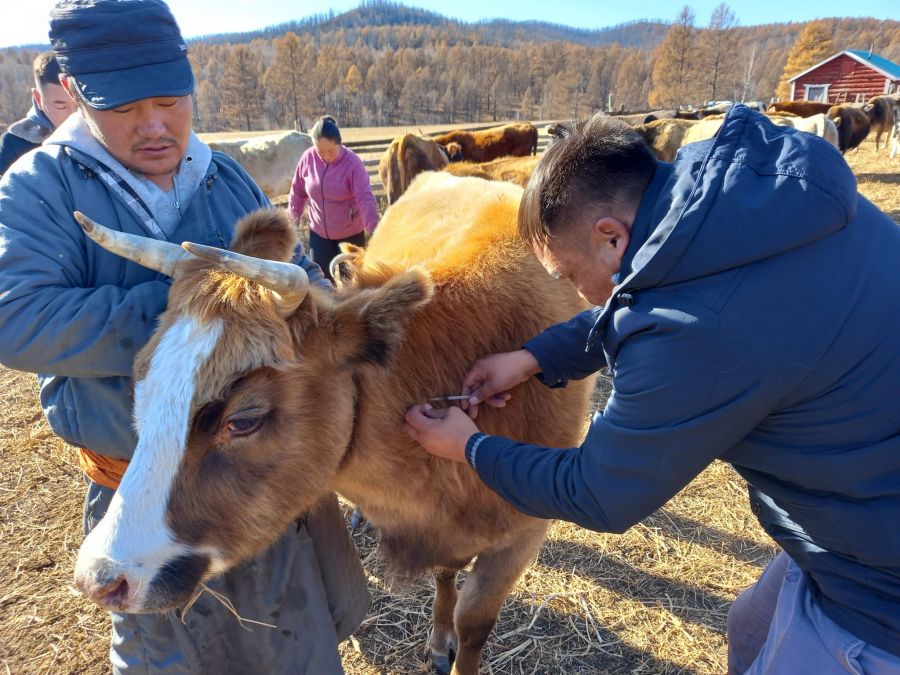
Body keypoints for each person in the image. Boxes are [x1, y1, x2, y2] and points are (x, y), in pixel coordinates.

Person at [404, 109, 900, 673]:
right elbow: (641, 299)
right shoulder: (726, 202)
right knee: (751, 626)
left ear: (611, 237)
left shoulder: (696, 332)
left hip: (877, 590)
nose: (581, 295)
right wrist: (531, 356)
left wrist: (469, 446)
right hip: (857, 501)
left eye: (567, 275)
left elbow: (600, 491)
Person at [0, 1, 367, 673]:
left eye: (171, 99)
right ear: (77, 94)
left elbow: (294, 269)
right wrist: (192, 319)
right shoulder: (39, 188)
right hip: (146, 496)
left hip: (254, 476)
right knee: (167, 655)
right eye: (124, 107)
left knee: (298, 651)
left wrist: (312, 293)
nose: (155, 125)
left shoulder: (222, 174)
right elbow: (13, 315)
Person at [288, 115, 379, 279]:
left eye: (330, 150)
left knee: (351, 281)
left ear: (339, 144)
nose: (325, 155)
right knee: (321, 280)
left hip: (350, 236)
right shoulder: (308, 159)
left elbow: (365, 199)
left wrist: (374, 231)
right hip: (319, 234)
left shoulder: (352, 164)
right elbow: (297, 192)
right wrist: (291, 224)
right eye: (320, 150)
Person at [0, 51, 76, 175]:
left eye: (80, 105)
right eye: (61, 106)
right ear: (38, 98)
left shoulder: (107, 130)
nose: (74, 114)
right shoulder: (15, 143)